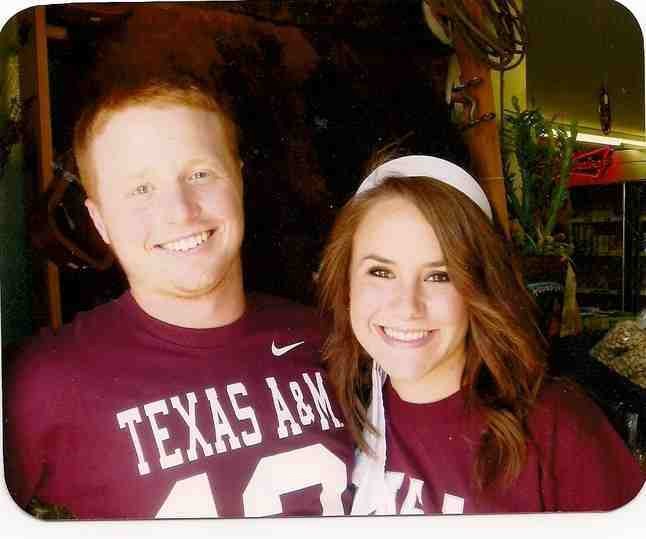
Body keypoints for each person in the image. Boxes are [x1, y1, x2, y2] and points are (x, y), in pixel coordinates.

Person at [3, 75, 354, 519]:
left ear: (238, 181)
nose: (181, 212)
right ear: (100, 220)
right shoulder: (42, 382)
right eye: (141, 189)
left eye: (200, 174)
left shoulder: (327, 338)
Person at [317, 152, 645, 515]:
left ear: (482, 288)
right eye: (381, 272)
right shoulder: (328, 414)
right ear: (345, 284)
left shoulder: (558, 429)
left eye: (440, 276)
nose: (407, 306)